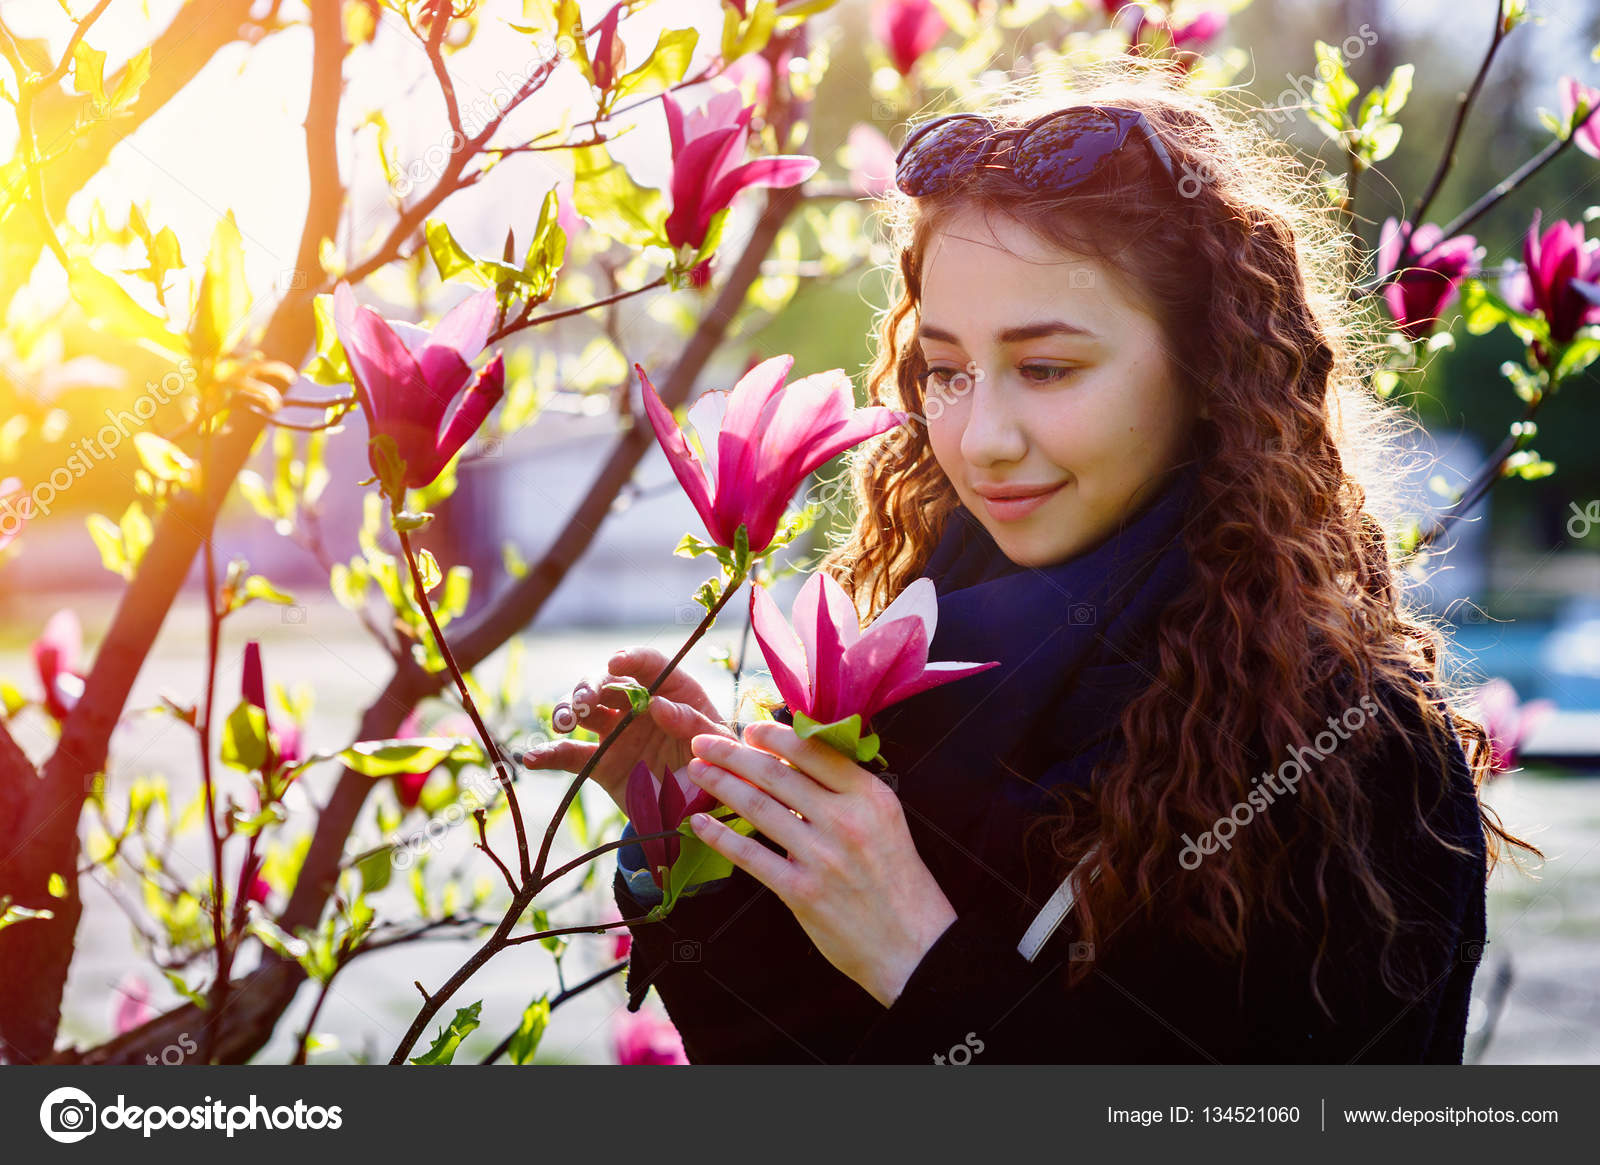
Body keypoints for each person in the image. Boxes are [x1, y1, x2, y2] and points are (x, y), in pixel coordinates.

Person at [520, 60, 1540, 1064]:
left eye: (1046, 368)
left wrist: (921, 955)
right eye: (946, 370)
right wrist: (693, 843)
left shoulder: (1351, 748)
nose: (981, 438)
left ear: (1206, 369)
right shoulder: (905, 659)